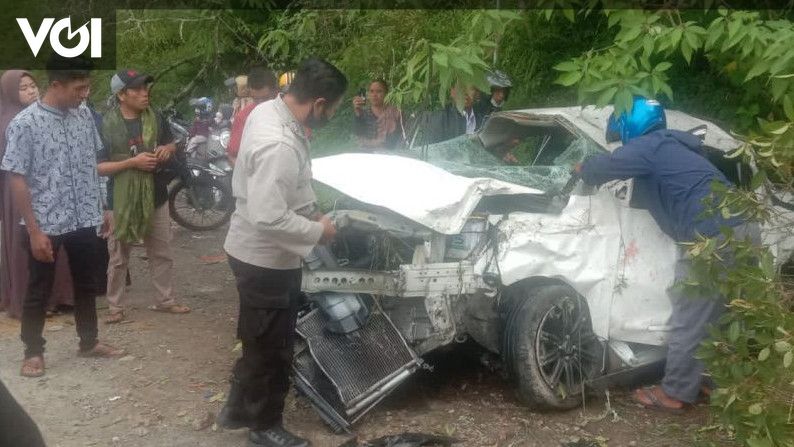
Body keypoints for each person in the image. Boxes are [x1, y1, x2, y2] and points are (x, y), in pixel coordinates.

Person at [576, 96, 760, 413]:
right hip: (744, 228)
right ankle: (707, 381)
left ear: (630, 127)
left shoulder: (650, 147)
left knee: (690, 313)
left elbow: (602, 168)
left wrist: (581, 167)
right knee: (723, 315)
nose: (621, 145)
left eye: (621, 138)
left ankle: (674, 392)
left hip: (714, 237)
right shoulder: (678, 147)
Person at [216, 57, 344, 447]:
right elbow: (269, 217)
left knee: (257, 337)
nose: (333, 115)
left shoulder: (269, 110)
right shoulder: (279, 144)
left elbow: (292, 183)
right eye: (333, 109)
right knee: (271, 348)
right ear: (319, 103)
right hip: (263, 257)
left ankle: (236, 410)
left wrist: (310, 210)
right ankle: (264, 426)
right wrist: (316, 230)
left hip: (257, 252)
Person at [1, 55, 125, 378]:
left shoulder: (83, 115)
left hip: (85, 215)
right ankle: (33, 351)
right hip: (45, 221)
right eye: (78, 88)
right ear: (56, 85)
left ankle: (89, 342)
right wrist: (33, 230)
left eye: (87, 87)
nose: (84, 94)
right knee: (38, 288)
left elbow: (91, 162)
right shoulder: (25, 124)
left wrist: (103, 205)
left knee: (87, 283)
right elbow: (16, 176)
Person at [97, 70, 190, 324]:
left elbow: (172, 144)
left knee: (161, 252)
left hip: (156, 194)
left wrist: (166, 149)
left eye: (145, 87)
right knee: (118, 257)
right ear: (121, 95)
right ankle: (115, 306)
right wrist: (132, 162)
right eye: (136, 89)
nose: (144, 92)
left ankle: (165, 300)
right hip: (121, 199)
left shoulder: (156, 117)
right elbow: (98, 166)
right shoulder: (104, 124)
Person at [0, 70, 77, 319]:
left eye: (32, 85)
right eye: (23, 87)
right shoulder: (7, 122)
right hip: (19, 191)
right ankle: (32, 302)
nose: (31, 90)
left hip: (49, 188)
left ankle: (60, 296)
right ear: (10, 92)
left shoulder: (46, 116)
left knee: (56, 238)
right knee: (29, 241)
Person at [227, 66, 279, 164]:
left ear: (276, 91)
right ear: (250, 92)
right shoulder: (243, 118)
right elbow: (232, 156)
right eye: (256, 99)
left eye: (266, 99)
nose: (261, 104)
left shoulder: (290, 110)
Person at [352, 79, 406, 151]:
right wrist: (358, 113)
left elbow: (402, 138)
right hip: (367, 155)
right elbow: (358, 136)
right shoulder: (363, 113)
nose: (374, 95)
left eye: (379, 91)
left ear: (386, 93)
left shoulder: (396, 113)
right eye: (371, 91)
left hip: (391, 156)